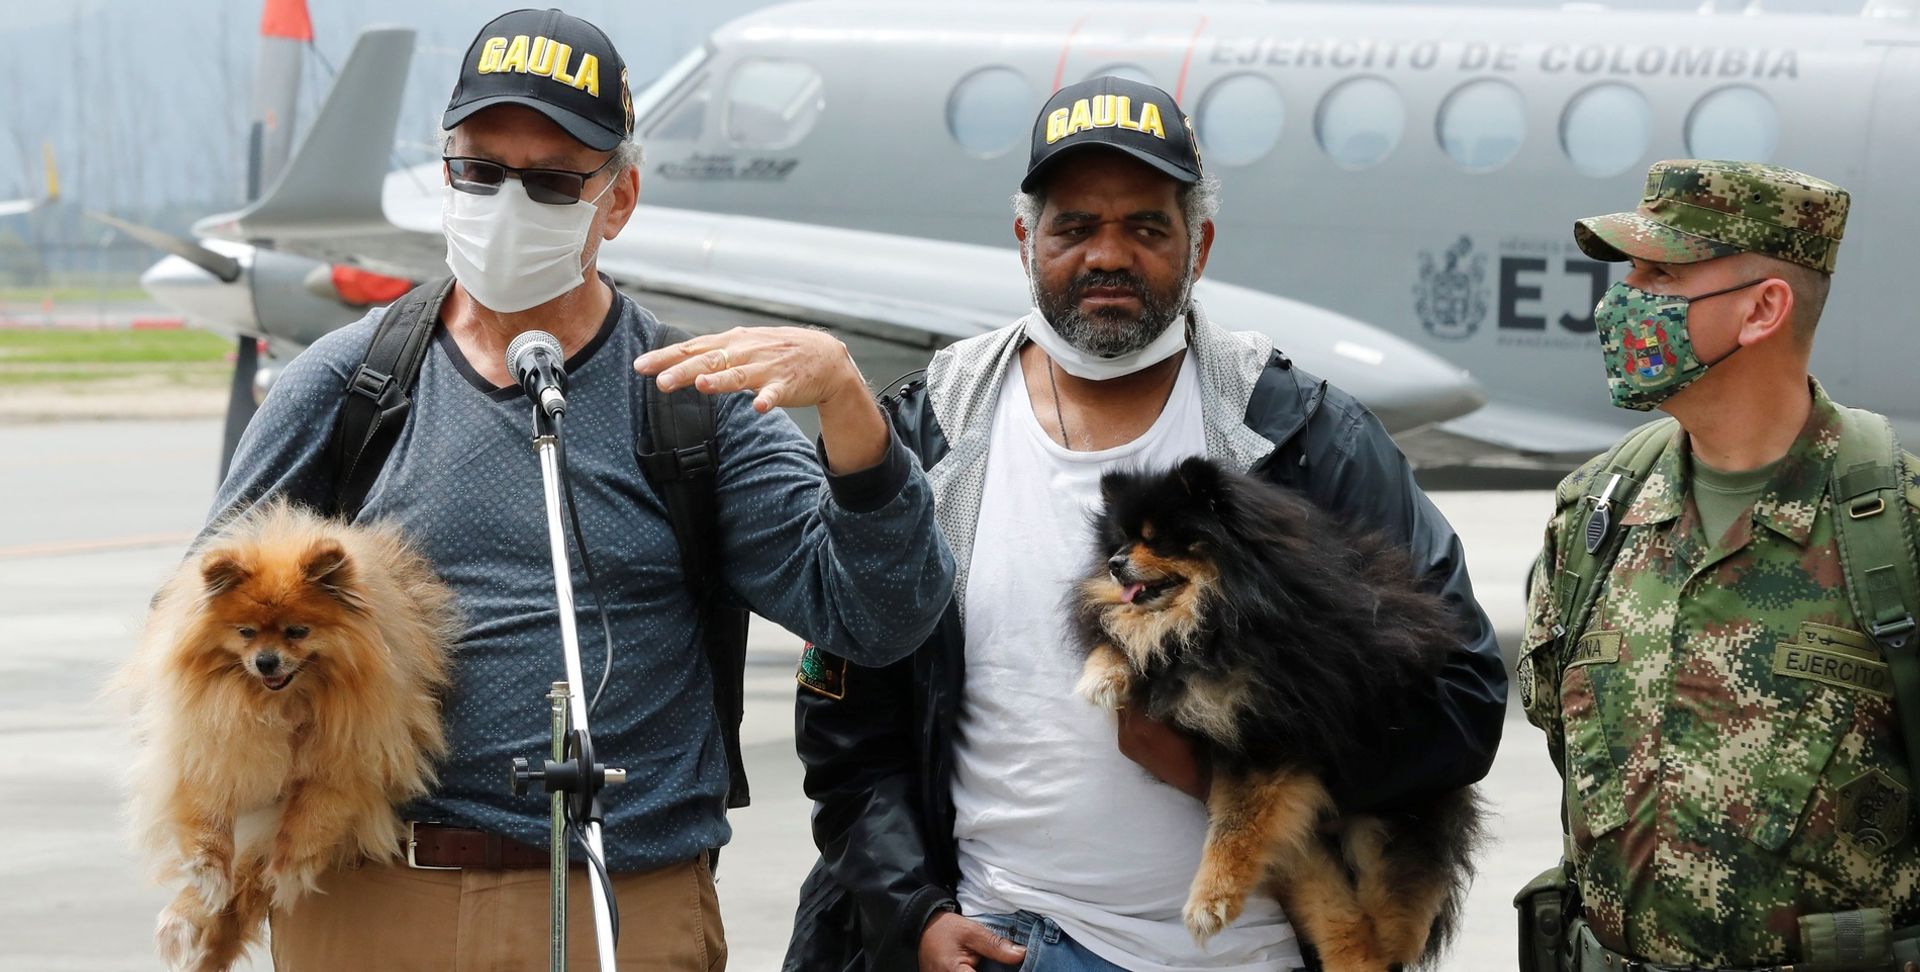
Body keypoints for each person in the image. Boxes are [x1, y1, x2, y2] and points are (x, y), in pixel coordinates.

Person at [203, 8, 953, 970]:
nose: (508, 203)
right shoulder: (350, 385)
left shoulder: (692, 398)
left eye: (553, 180)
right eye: (480, 171)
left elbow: (880, 617)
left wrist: (851, 413)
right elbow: (198, 614)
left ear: (621, 197)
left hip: (622, 899)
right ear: (446, 173)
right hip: (374, 891)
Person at [783, 76, 1508, 972]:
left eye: (1147, 227)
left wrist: (1221, 765)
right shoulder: (929, 434)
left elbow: (1463, 705)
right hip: (1008, 939)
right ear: (1025, 240)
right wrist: (914, 912)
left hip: (1256, 956)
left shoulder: (1303, 436)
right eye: (1075, 226)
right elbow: (846, 721)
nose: (1107, 255)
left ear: (1198, 243)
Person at [1518, 160, 1920, 970]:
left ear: (1764, 308)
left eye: (1660, 273)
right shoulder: (1596, 514)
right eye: (1629, 271)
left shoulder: (1896, 531)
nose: (1621, 298)